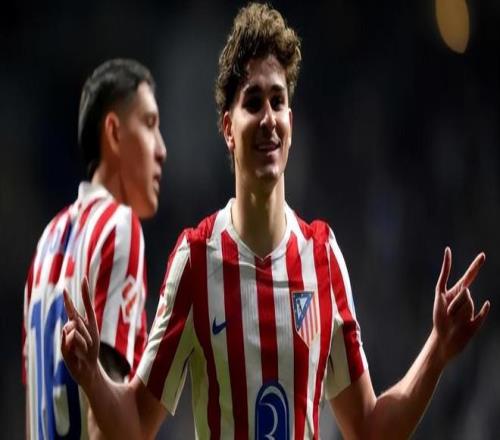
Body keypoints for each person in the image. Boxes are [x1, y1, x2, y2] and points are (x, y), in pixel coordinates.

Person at [61, 4, 490, 439]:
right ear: (228, 128)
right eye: (253, 102)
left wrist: (437, 350)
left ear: (291, 122)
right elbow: (135, 425)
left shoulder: (323, 257)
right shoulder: (196, 259)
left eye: (278, 101)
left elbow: (368, 428)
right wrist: (93, 376)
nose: (268, 118)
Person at [22, 58, 167, 439]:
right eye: (149, 124)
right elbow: (104, 424)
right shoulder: (119, 227)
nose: (162, 149)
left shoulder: (45, 244)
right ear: (114, 133)